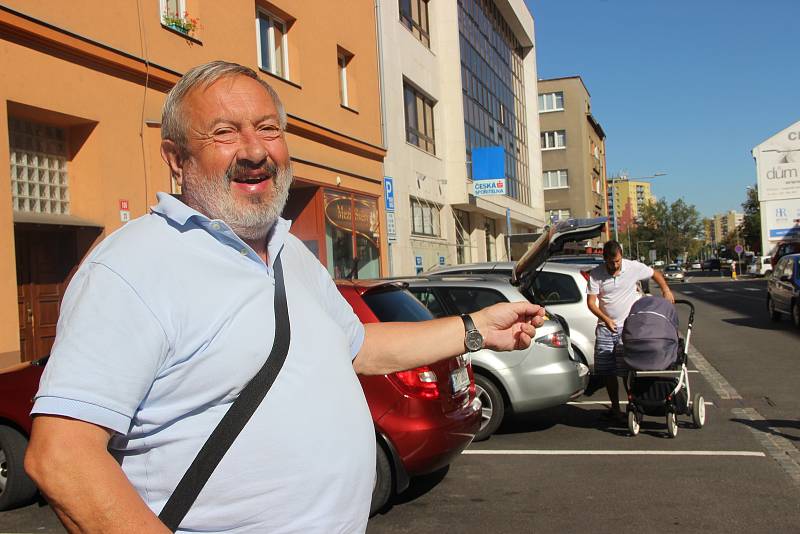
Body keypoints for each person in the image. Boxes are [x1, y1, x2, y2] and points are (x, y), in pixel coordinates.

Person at [23, 61, 545, 534]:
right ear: (176, 159)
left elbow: (359, 345)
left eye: (268, 129)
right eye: (224, 132)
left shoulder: (287, 250)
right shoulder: (130, 267)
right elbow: (62, 456)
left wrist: (476, 327)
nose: (255, 151)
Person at [586, 240, 673, 421]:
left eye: (617, 261)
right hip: (605, 328)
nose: (615, 265)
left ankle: (634, 407)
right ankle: (616, 409)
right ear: (604, 259)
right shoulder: (596, 275)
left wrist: (666, 290)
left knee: (628, 369)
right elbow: (591, 303)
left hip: (629, 328)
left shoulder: (632, 267)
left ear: (621, 257)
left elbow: (654, 273)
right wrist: (606, 319)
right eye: (611, 262)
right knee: (607, 372)